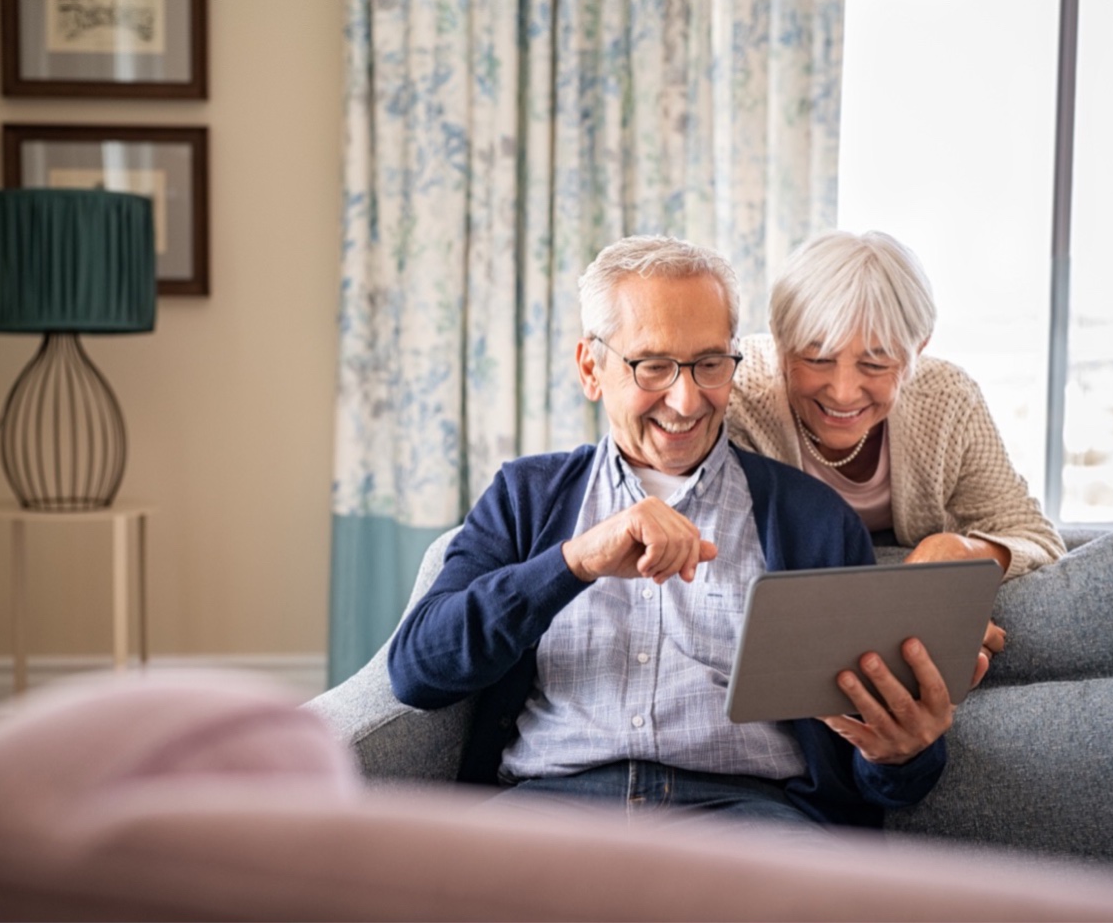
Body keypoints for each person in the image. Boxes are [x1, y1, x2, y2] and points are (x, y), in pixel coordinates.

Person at [388, 235, 954, 833]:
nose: (685, 401)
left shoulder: (814, 520)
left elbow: (881, 776)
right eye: (653, 365)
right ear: (591, 368)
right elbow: (418, 671)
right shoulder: (527, 495)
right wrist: (575, 562)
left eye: (709, 364)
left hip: (751, 823)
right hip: (548, 815)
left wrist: (902, 753)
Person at [726, 230, 1068, 676]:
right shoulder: (740, 397)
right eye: (817, 359)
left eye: (875, 364)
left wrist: (960, 551)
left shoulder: (946, 398)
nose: (844, 392)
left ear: (917, 350)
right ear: (779, 341)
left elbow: (1038, 538)